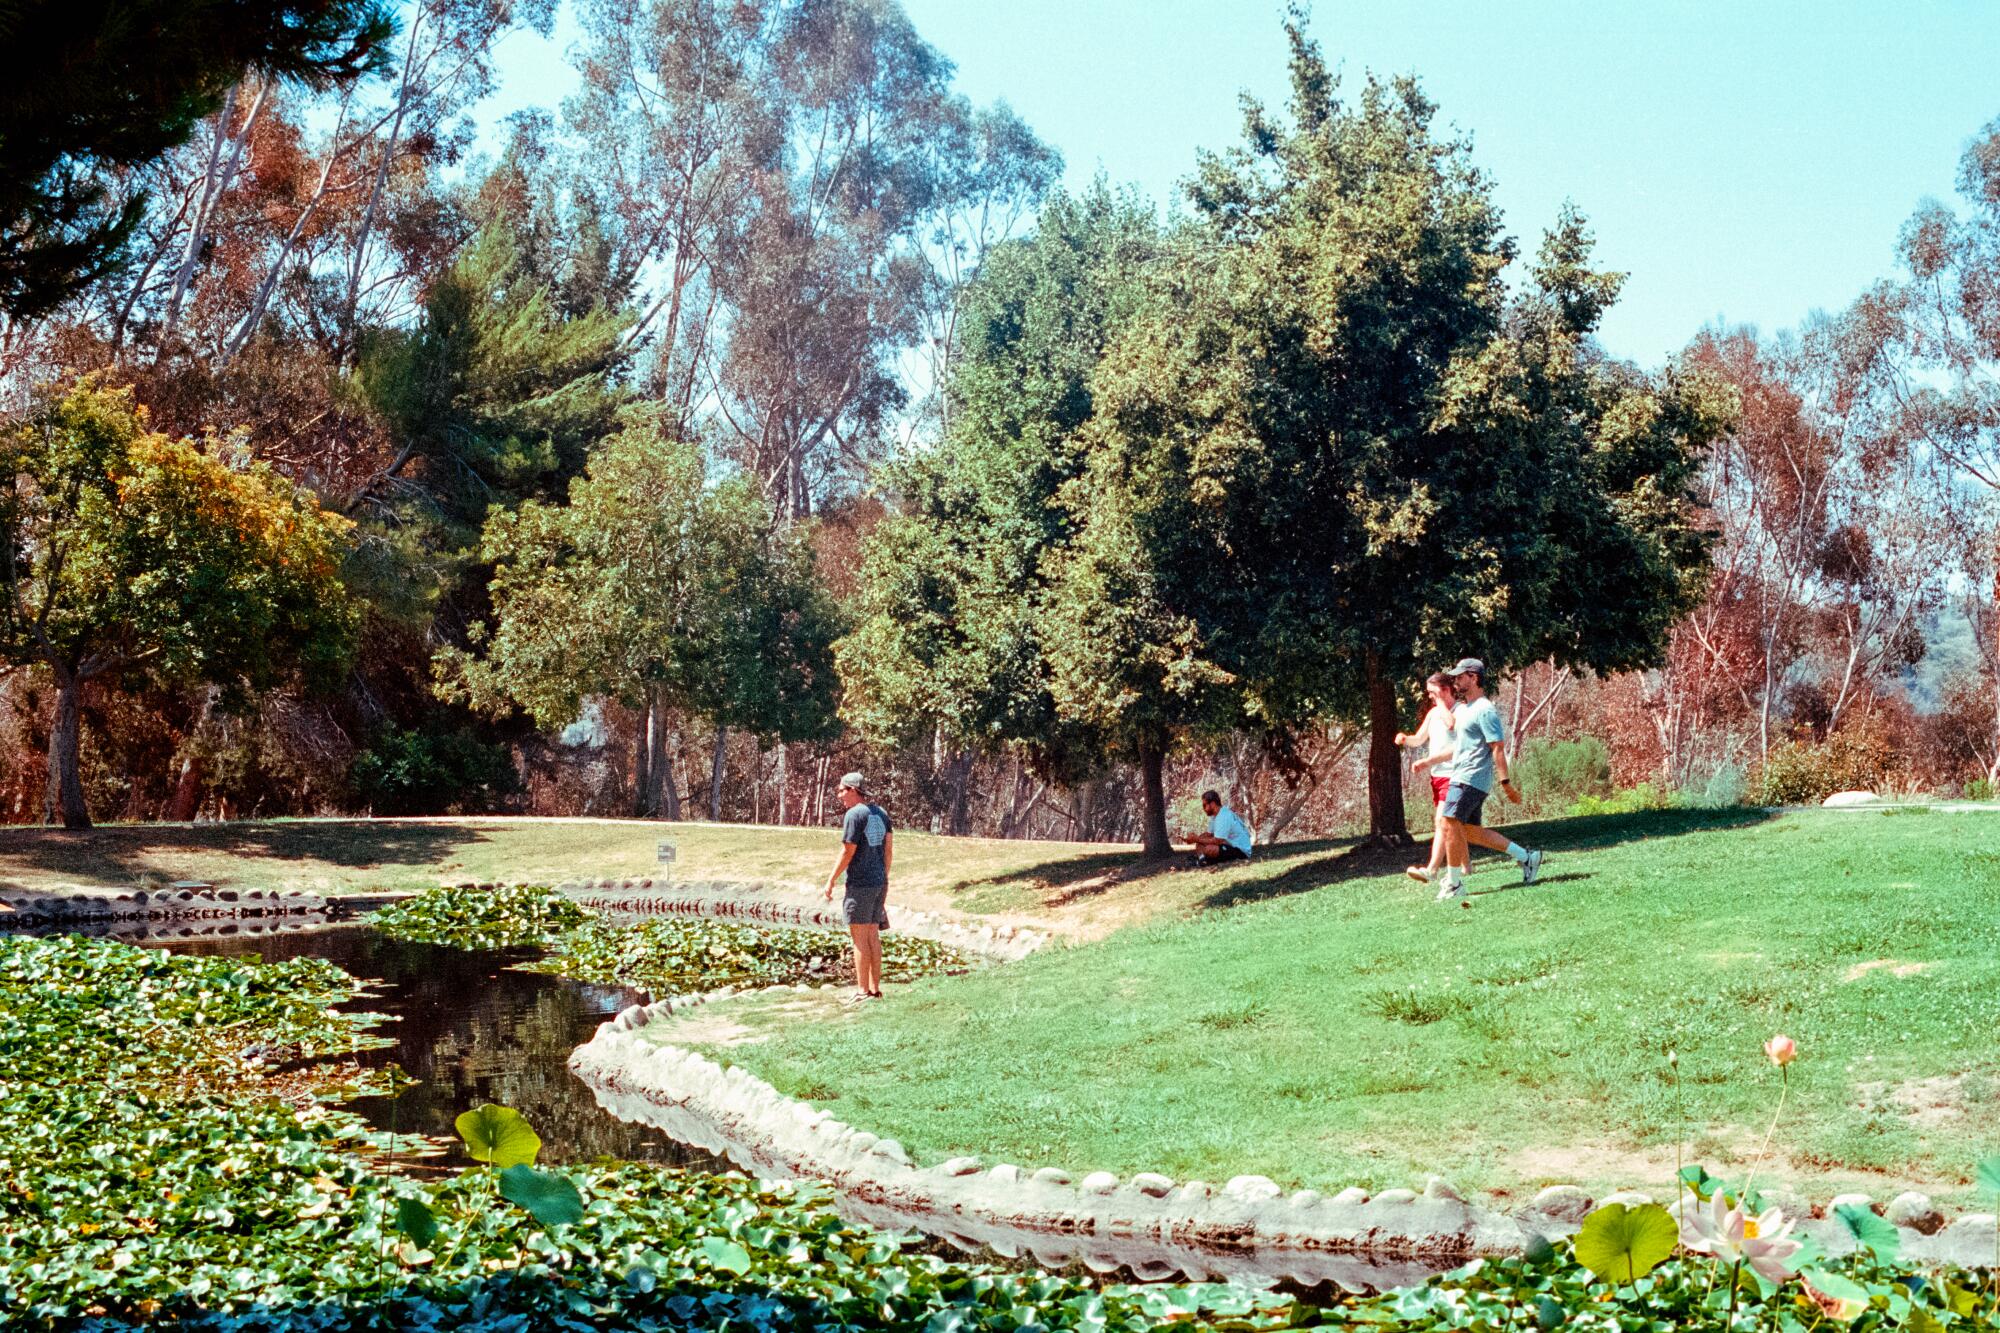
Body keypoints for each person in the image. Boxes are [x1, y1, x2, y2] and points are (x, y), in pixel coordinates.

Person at [1433, 658, 1544, 904]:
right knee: (1468, 832)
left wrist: (1506, 783)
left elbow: (1497, 747)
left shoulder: (1484, 709)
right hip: (1462, 775)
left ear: (1474, 677)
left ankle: (1453, 883)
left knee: (1448, 822)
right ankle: (1528, 857)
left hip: (1470, 777)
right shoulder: (1466, 709)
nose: (1457, 680)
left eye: (1461, 676)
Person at [823, 772, 892, 1002]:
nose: (840, 795)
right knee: (873, 935)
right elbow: (888, 850)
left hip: (860, 885)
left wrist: (831, 879)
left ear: (853, 790)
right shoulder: (881, 813)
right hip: (879, 883)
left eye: (842, 790)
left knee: (859, 938)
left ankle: (862, 992)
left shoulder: (854, 815)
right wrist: (883, 878)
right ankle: (875, 990)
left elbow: (847, 851)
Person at [1397, 672, 1458, 884]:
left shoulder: (1460, 711)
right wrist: (1405, 739)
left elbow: (1451, 724)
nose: (1430, 697)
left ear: (1445, 690)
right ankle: (1465, 869)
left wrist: (1442, 703)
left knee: (1442, 821)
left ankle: (1431, 870)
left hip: (1454, 775)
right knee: (1455, 826)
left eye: (1433, 692)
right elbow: (1419, 738)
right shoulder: (1432, 714)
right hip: (1437, 777)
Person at [1186, 789, 1253, 865]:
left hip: (1241, 851)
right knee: (1200, 841)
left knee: (1210, 849)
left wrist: (1197, 839)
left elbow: (1217, 841)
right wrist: (1194, 838)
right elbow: (1208, 834)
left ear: (1213, 804)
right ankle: (1202, 860)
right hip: (1229, 846)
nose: (1203, 808)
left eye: (1204, 805)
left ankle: (1203, 861)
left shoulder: (1223, 816)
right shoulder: (1214, 816)